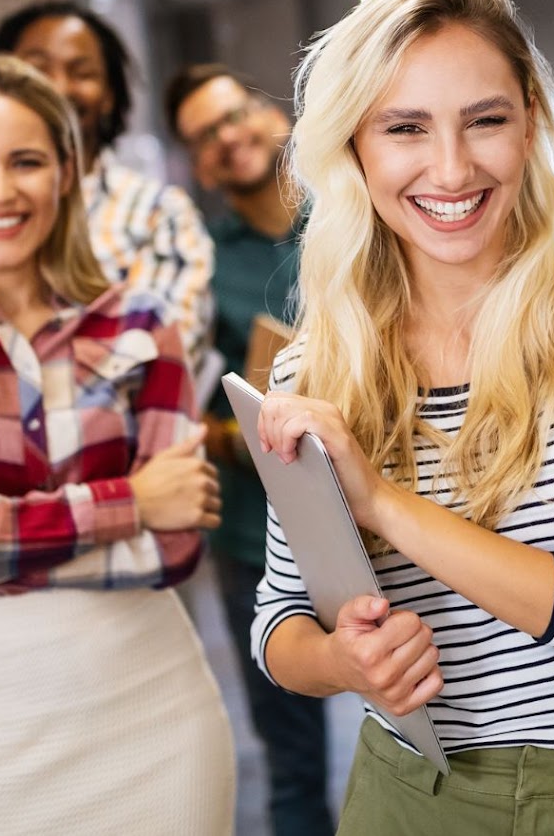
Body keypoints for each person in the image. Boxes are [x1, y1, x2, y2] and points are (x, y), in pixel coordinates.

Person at [249, 0, 554, 834]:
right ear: (356, 146)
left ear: (529, 118)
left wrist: (380, 501)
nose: (452, 169)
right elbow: (278, 623)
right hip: (402, 794)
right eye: (406, 128)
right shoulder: (317, 366)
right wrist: (344, 663)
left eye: (484, 120)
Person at [0, 55, 235, 835]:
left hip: (158, 715)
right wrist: (130, 501)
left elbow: (177, 546)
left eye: (26, 161)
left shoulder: (140, 325)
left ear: (66, 172)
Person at [165, 62, 335, 836]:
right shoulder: (199, 265)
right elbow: (184, 409)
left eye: (233, 115)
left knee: (446, 719)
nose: (228, 138)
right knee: (292, 756)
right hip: (258, 537)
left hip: (398, 504)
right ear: (197, 163)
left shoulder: (351, 216)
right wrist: (237, 433)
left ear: (270, 113)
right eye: (205, 136)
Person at [0, 0, 214, 364]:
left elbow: (162, 360)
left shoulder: (158, 212)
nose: (59, 87)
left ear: (110, 95)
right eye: (37, 69)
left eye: (82, 72)